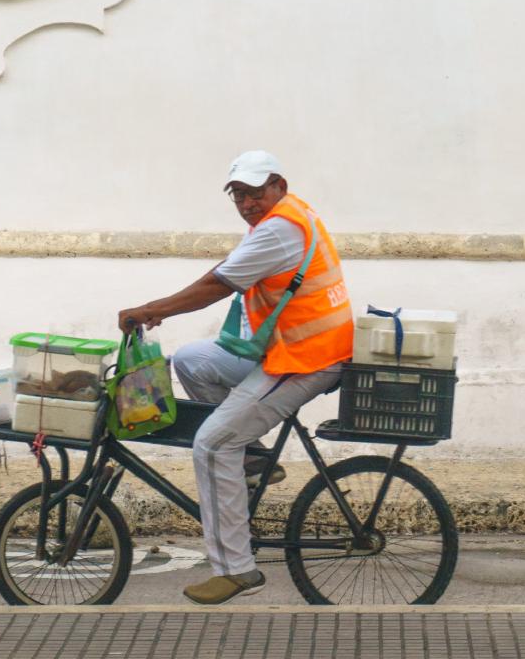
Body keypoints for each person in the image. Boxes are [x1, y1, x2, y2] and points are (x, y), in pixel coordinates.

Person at [118, 150, 354, 605]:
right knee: (193, 360)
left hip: (307, 358)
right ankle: (253, 458)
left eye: (255, 192)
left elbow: (216, 286)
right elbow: (222, 274)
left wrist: (150, 310)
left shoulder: (281, 228)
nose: (246, 204)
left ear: (279, 185)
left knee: (211, 443)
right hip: (285, 350)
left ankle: (235, 570)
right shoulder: (282, 217)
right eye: (238, 195)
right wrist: (159, 308)